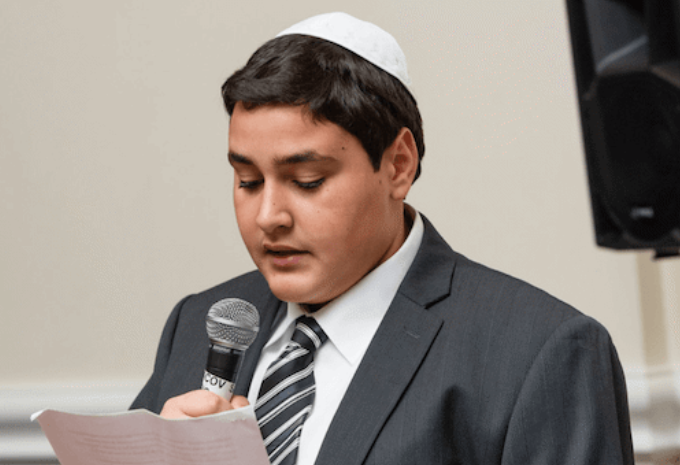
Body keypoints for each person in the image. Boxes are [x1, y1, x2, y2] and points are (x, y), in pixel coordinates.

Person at [131, 12, 634, 464]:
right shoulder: (198, 324)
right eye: (248, 181)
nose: (268, 217)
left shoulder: (538, 352)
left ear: (398, 165)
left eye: (307, 181)